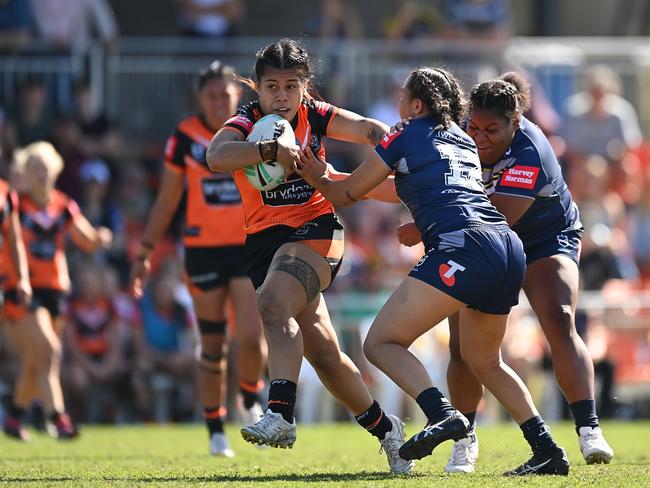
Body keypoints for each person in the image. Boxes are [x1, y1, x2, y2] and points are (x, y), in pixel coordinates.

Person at [295, 66, 569, 476]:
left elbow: (348, 195)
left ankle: (442, 413)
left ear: (417, 104)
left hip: (463, 247)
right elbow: (402, 187)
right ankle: (547, 448)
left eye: (402, 97)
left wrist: (315, 175)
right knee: (484, 361)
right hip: (508, 246)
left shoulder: (404, 133)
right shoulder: (460, 138)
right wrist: (329, 177)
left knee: (381, 342)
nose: (398, 104)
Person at [207, 38, 413, 474]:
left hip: (317, 228)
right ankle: (387, 429)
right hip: (264, 243)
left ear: (305, 87)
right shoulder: (246, 122)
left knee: (271, 303)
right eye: (271, 87)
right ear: (257, 89)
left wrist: (398, 147)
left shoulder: (314, 115)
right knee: (324, 355)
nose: (281, 96)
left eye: (290, 86)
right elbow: (216, 156)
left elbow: (369, 130)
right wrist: (269, 151)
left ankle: (280, 412)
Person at [399, 71, 614, 472]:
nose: (479, 137)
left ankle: (589, 428)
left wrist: (428, 225)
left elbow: (502, 215)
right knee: (463, 347)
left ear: (516, 123)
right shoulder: (459, 132)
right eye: (473, 127)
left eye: (491, 130)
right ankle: (465, 441)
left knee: (559, 317)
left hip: (543, 237)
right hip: (486, 236)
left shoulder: (533, 146)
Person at [129, 61, 267, 458]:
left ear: (237, 95)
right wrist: (144, 253)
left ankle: (249, 396)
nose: (218, 100)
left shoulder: (253, 130)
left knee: (250, 335)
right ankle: (214, 428)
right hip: (203, 250)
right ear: (199, 98)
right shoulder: (185, 137)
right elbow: (168, 200)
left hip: (246, 245)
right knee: (211, 346)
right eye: (211, 95)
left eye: (225, 94)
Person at [2, 141, 112, 440]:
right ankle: (58, 417)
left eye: (45, 168)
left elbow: (86, 239)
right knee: (49, 349)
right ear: (25, 172)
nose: (40, 174)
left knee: (37, 358)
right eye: (34, 168)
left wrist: (100, 238)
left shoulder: (63, 206)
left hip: (55, 290)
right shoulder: (16, 205)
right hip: (25, 289)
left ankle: (14, 417)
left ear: (54, 171)